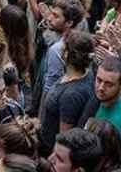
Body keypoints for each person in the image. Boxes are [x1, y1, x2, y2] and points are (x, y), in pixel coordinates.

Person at [39, 29, 93, 157]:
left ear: (66, 53)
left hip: (50, 149)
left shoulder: (71, 95)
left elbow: (64, 138)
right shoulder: (86, 73)